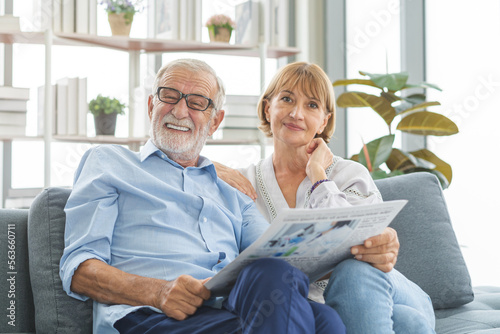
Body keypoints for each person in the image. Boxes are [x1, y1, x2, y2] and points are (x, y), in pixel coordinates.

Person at [59, 59, 346, 334]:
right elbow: (79, 268)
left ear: (215, 122)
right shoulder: (109, 162)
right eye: (169, 96)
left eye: (197, 103)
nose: (180, 111)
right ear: (150, 106)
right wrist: (159, 292)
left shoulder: (233, 189)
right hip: (150, 317)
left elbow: (280, 258)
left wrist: (355, 243)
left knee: (320, 315)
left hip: (225, 312)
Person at [214, 61, 436, 333]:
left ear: (324, 120)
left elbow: (355, 244)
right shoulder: (240, 182)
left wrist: (319, 176)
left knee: (354, 272)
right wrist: (205, 165)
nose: (296, 113)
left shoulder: (350, 174)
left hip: (379, 287)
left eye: (311, 105)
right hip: (311, 311)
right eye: (286, 99)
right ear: (267, 107)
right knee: (406, 322)